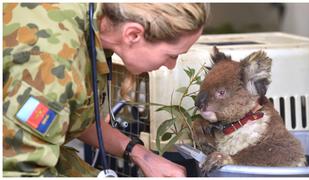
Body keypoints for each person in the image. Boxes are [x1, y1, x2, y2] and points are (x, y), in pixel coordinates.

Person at [3, 3, 208, 177]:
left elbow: (72, 114)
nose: (172, 66)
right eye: (172, 55)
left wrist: (141, 155)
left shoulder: (96, 22)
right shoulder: (56, 66)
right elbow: (19, 169)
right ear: (133, 34)